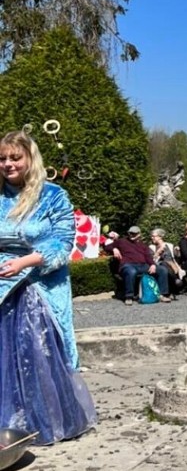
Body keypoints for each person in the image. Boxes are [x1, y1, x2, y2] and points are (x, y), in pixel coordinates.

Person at [0, 131, 96, 444]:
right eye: (3, 158)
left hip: (37, 289)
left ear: (30, 158)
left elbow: (64, 242)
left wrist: (25, 262)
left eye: (15, 157)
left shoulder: (53, 195)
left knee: (37, 356)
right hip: (2, 290)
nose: (8, 164)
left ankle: (47, 422)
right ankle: (9, 427)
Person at [113, 225, 172, 304]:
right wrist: (114, 249)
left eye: (134, 233)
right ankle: (129, 296)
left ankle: (162, 294)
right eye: (130, 233)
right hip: (128, 265)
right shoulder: (122, 241)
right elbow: (107, 246)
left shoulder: (143, 245)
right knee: (131, 271)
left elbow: (148, 257)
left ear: (139, 234)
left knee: (162, 269)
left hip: (142, 265)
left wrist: (153, 265)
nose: (131, 235)